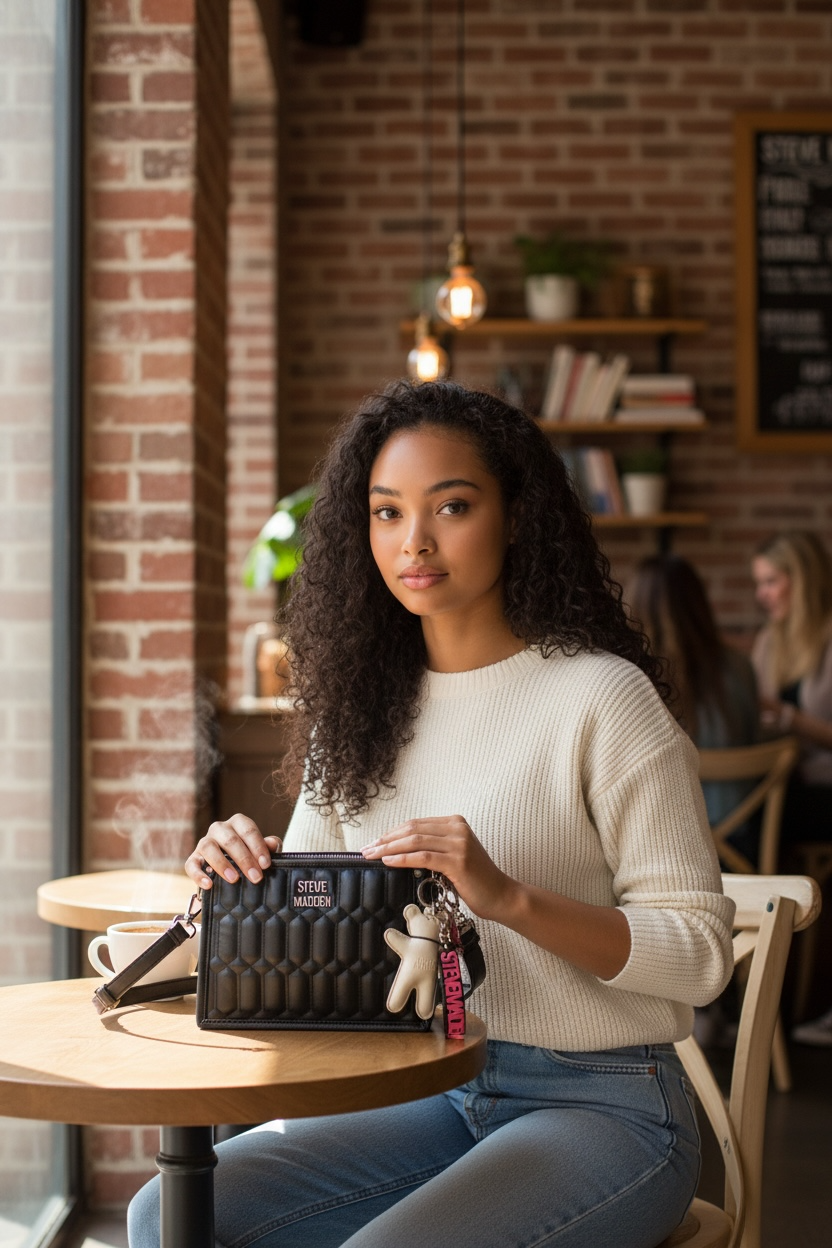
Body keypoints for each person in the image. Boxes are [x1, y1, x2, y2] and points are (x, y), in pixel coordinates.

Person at [128, 379, 734, 1248]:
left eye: (451, 506)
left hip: (610, 1101)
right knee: (172, 1214)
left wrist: (506, 896)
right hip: (427, 1089)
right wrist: (245, 876)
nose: (414, 542)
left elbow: (704, 957)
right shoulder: (362, 709)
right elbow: (310, 940)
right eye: (386, 513)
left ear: (516, 515)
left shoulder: (602, 699)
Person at [751, 530, 832, 1046]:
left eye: (772, 582)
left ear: (801, 582)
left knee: (752, 833)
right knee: (750, 827)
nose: (763, 594)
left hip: (823, 793)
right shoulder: (768, 643)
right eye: (759, 583)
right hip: (787, 790)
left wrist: (791, 719)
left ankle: (756, 1005)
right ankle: (756, 1006)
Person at [625, 554, 761, 858]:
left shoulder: (629, 679)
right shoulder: (740, 667)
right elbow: (754, 742)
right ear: (699, 606)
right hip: (742, 849)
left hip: (663, 853)